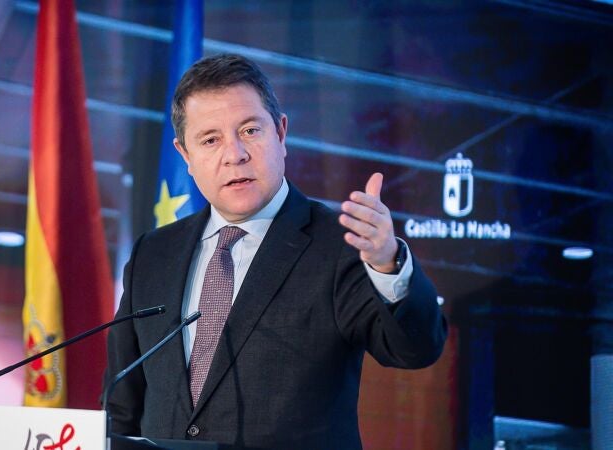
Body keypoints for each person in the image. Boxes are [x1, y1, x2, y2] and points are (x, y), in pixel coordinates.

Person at [105, 53, 447, 449]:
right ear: (186, 156)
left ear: (281, 134)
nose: (235, 154)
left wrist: (388, 264)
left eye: (250, 130)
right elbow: (121, 403)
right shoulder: (153, 254)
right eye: (211, 140)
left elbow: (414, 350)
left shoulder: (340, 244)